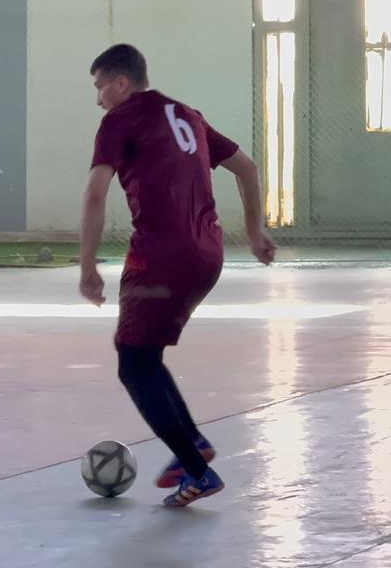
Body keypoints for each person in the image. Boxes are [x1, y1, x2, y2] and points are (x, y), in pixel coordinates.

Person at [77, 43, 276, 508]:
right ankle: (193, 444)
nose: (98, 98)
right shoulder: (187, 114)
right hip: (208, 254)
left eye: (100, 87)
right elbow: (247, 168)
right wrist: (254, 230)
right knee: (144, 353)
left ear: (121, 83)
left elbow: (94, 195)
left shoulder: (120, 120)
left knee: (132, 364)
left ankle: (198, 471)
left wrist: (87, 268)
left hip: (161, 255)